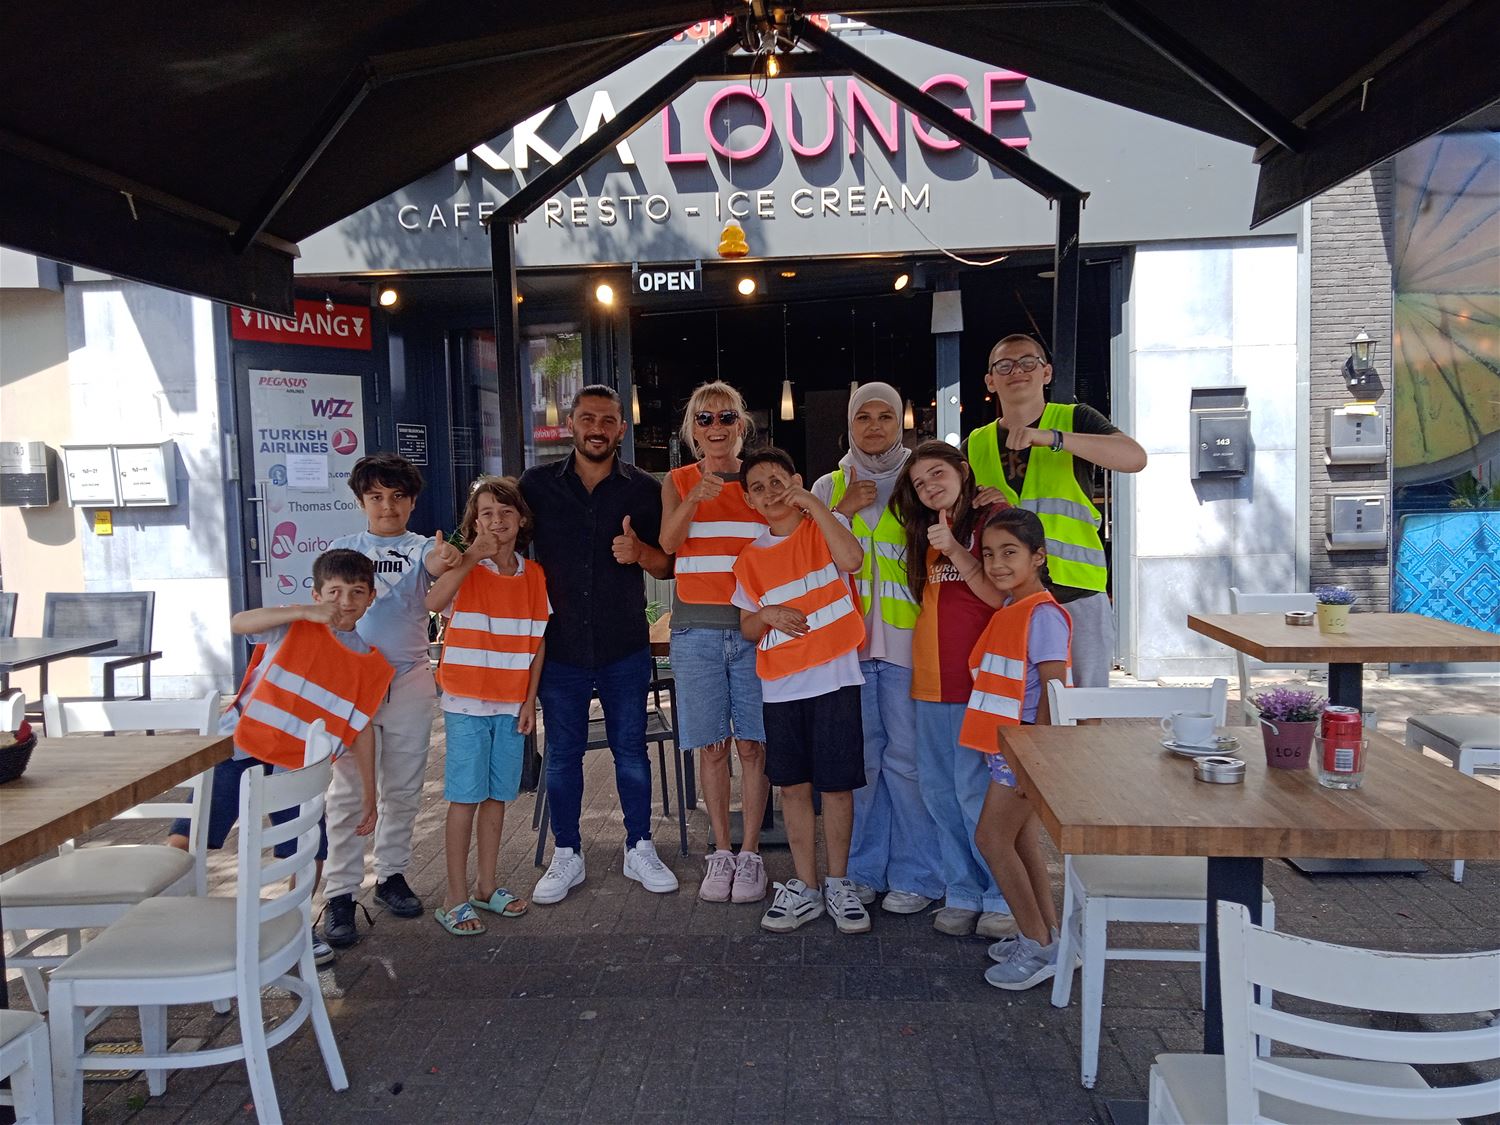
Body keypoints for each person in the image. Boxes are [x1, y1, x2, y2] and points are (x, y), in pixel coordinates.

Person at [168, 549, 391, 966]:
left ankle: (296, 926)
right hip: (239, 748)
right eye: (334, 591)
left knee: (309, 850)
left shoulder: (368, 663)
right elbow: (239, 623)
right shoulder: (291, 624)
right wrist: (302, 612)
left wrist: (369, 795)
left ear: (371, 597)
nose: (345, 601)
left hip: (295, 769)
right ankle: (162, 921)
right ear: (317, 593)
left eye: (356, 592)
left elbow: (360, 730)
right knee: (187, 837)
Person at [520, 385, 679, 904]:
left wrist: (639, 552)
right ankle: (568, 852)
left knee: (631, 752)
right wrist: (456, 555)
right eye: (588, 418)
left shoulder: (645, 489)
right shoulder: (536, 485)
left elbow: (668, 565)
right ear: (571, 423)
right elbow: (501, 540)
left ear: (621, 429)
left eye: (608, 420)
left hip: (623, 645)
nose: (597, 429)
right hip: (560, 646)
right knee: (562, 755)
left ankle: (639, 846)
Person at [811, 383, 942, 917]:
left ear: (901, 422)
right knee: (862, 766)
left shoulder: (922, 478)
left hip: (911, 645)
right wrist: (841, 512)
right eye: (862, 417)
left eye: (885, 416)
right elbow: (809, 559)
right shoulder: (829, 485)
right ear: (849, 424)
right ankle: (863, 871)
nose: (873, 426)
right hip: (850, 648)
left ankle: (918, 874)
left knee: (908, 764)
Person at [322, 453, 463, 948]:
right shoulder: (342, 549)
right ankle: (339, 893)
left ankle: (391, 875)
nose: (387, 506)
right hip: (352, 686)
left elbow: (438, 565)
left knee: (402, 788)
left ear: (413, 501)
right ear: (361, 501)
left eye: (398, 496)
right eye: (376, 496)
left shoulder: (424, 548)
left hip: (408, 680)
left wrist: (449, 558)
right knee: (347, 794)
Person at [731, 447, 870, 934]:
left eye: (777, 481)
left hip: (835, 678)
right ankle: (807, 887)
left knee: (837, 786)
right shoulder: (749, 559)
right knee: (792, 787)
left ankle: (838, 883)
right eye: (758, 488)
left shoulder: (824, 526)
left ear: (796, 481)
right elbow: (747, 627)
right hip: (782, 687)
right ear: (749, 501)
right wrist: (766, 615)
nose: (770, 493)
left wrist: (814, 505)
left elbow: (852, 560)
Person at [966, 334, 1146, 689]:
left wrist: (1054, 438)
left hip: (1076, 592)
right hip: (1008, 598)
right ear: (990, 380)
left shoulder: (1074, 419)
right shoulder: (975, 443)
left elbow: (1134, 458)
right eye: (1005, 366)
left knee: (1085, 703)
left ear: (1046, 372)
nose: (1017, 371)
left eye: (1028, 362)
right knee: (1019, 701)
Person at [891, 440, 1013, 939]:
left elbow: (999, 594)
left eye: (937, 474)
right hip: (930, 680)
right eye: (920, 483)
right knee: (940, 793)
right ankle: (962, 891)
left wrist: (956, 550)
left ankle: (1001, 895)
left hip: (979, 683)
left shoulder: (991, 518)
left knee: (975, 792)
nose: (929, 487)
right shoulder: (925, 531)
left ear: (963, 470)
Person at [659, 381, 770, 904]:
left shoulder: (758, 478)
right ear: (693, 431)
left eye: (726, 417)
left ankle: (751, 853)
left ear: (740, 425)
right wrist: (694, 498)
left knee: (753, 744)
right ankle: (721, 851)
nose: (716, 427)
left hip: (753, 628)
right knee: (712, 746)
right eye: (705, 419)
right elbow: (668, 545)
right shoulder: (679, 480)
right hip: (696, 630)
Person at [425, 476, 547, 935]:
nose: (497, 521)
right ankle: (453, 897)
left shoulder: (534, 575)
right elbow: (433, 601)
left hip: (510, 702)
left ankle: (485, 885)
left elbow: (538, 642)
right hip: (466, 700)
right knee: (465, 798)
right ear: (474, 523)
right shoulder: (465, 567)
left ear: (522, 520)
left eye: (506, 512)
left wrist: (529, 700)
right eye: (486, 514)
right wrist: (471, 556)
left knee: (498, 797)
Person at [960, 508, 1072, 990]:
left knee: (991, 839)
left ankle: (1036, 944)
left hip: (1024, 746)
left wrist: (1035, 758)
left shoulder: (1041, 614)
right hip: (1009, 743)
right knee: (1021, 841)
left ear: (1038, 556)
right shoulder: (1014, 608)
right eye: (988, 554)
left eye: (1010, 552)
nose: (997, 564)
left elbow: (1054, 687)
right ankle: (1049, 937)